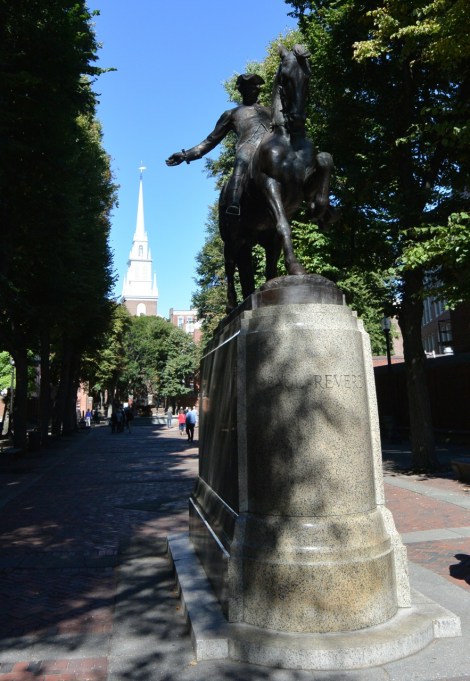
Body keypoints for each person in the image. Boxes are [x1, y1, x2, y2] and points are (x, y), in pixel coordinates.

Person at [166, 74, 270, 216]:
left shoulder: (271, 112)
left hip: (271, 148)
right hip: (248, 146)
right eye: (246, 88)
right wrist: (185, 155)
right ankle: (234, 202)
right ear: (240, 91)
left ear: (258, 89)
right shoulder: (231, 114)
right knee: (242, 159)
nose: (250, 90)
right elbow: (210, 141)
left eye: (253, 87)